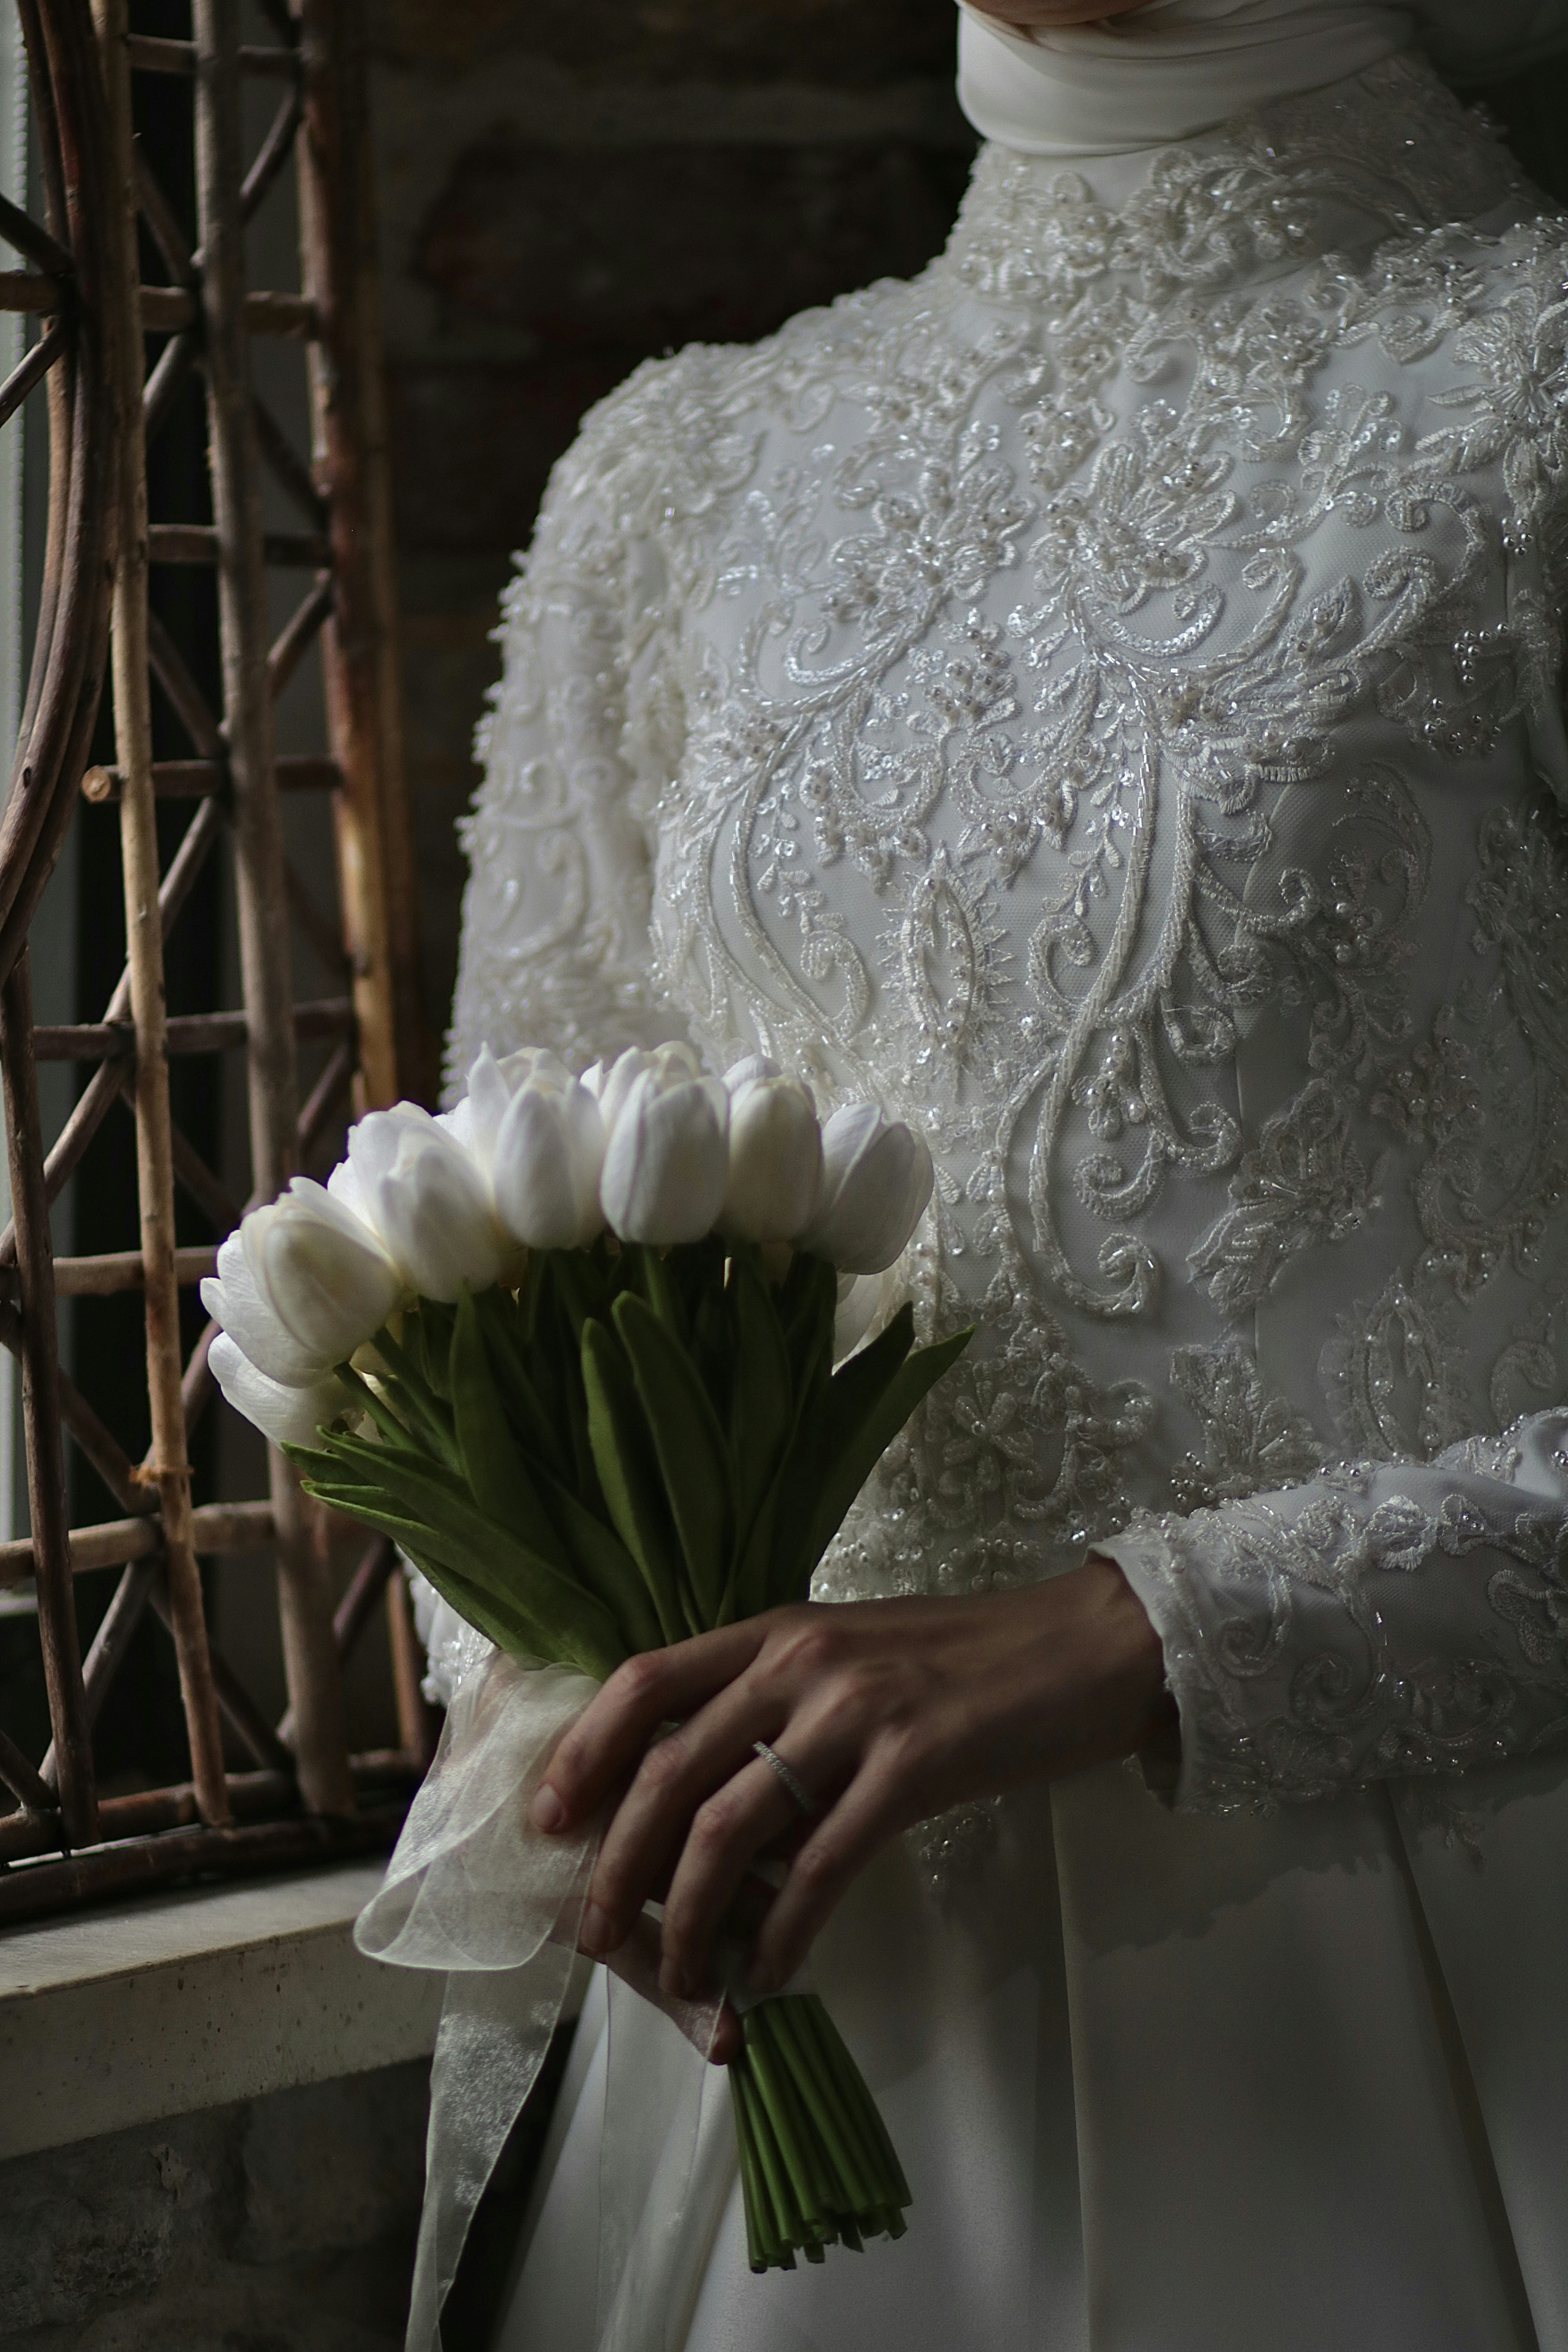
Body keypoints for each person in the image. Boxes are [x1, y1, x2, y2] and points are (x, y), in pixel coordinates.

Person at [441, 3, 1568, 2344]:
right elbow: (503, 1251)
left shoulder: (1529, 389)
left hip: (1441, 2003)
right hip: (799, 2017)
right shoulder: (681, 476)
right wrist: (586, 1721)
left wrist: (1156, 1625)